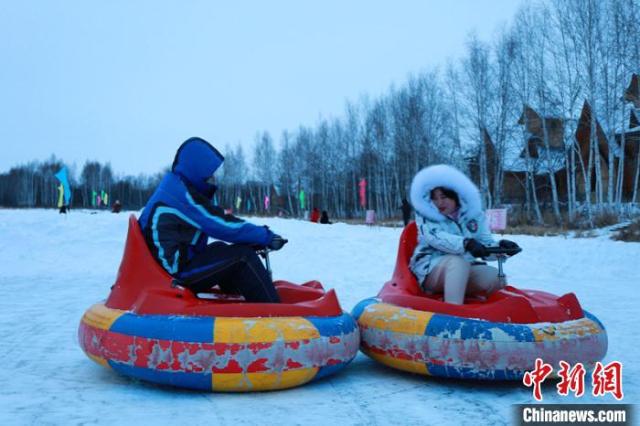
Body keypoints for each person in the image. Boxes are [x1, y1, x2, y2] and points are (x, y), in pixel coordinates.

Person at [138, 137, 286, 303]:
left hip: (174, 265)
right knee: (243, 256)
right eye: (209, 173)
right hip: (174, 275)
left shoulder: (175, 187)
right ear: (197, 168)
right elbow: (221, 225)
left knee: (220, 248)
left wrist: (252, 238)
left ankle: (240, 299)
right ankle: (274, 313)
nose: (211, 178)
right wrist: (266, 236)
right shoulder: (181, 196)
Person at [408, 164, 519, 305]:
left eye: (443, 197)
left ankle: (494, 315)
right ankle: (453, 313)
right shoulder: (427, 216)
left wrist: (500, 248)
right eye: (434, 198)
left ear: (456, 195)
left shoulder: (474, 216)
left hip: (465, 268)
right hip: (430, 270)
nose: (439, 203)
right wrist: (466, 243)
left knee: (496, 276)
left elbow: (484, 244)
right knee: (457, 263)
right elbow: (436, 237)